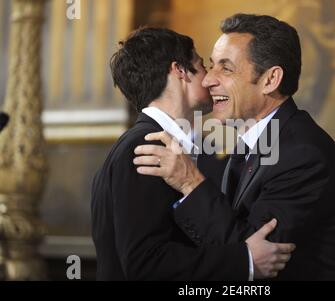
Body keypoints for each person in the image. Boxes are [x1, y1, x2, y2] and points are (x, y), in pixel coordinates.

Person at [134, 14, 335, 280]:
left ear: (270, 80)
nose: (209, 80)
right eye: (210, 66)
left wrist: (189, 181)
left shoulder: (302, 154)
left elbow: (256, 257)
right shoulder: (257, 142)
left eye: (226, 68)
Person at [91, 27, 295, 281]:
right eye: (202, 66)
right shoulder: (146, 146)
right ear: (179, 71)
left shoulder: (159, 143)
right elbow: (144, 263)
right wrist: (245, 260)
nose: (210, 79)